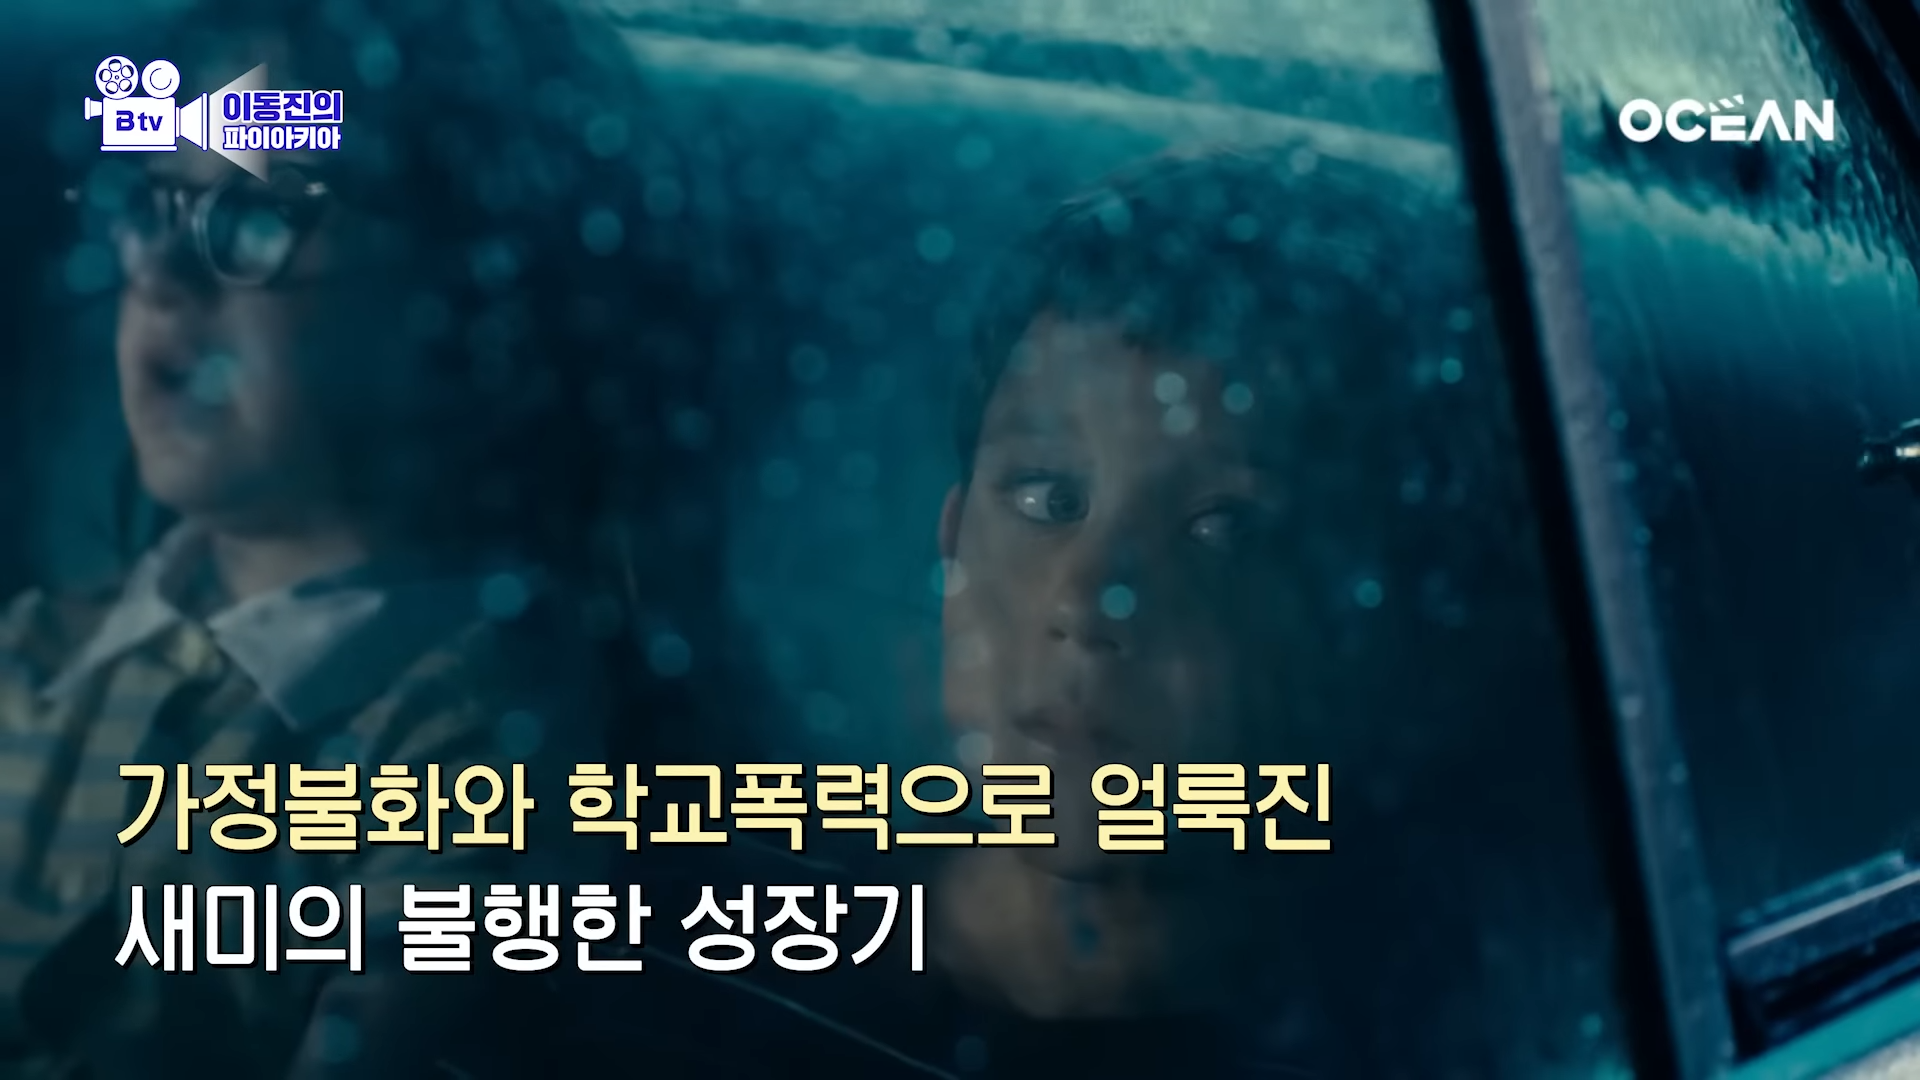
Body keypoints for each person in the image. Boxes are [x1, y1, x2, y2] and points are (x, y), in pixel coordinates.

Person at [0, 0, 727, 1075]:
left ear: (475, 305)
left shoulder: (469, 749)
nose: (160, 273)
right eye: (153, 203)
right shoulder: (33, 651)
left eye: (257, 216)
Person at [923, 144, 1415, 1071]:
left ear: (1362, 624)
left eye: (1221, 529)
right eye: (1046, 497)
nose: (1084, 601)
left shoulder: (1438, 1038)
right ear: (951, 547)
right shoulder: (718, 928)